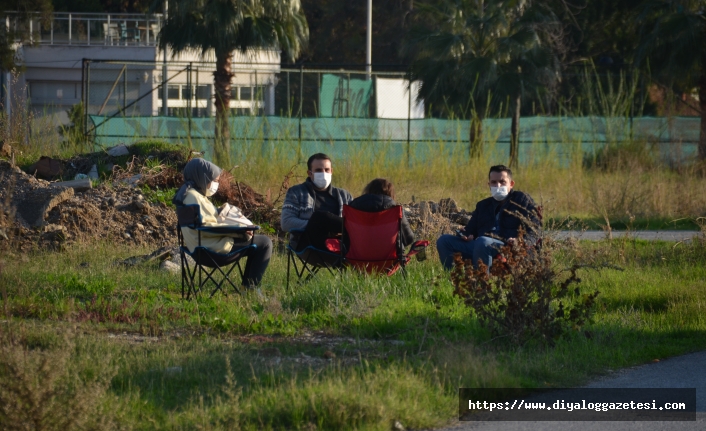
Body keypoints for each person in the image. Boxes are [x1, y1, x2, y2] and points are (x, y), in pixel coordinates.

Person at [173, 158, 272, 289]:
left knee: (257, 242)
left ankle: (248, 288)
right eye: (214, 180)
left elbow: (203, 223)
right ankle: (250, 289)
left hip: (199, 248)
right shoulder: (194, 197)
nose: (216, 184)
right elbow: (206, 226)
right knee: (265, 243)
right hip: (212, 250)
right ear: (202, 177)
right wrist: (240, 230)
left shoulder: (188, 194)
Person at [436, 164, 540, 270]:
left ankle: (482, 282)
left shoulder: (522, 200)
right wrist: (465, 235)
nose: (498, 186)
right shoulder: (483, 205)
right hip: (481, 245)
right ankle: (452, 277)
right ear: (489, 184)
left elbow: (535, 227)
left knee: (482, 242)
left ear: (511, 184)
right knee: (444, 241)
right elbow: (471, 229)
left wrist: (522, 241)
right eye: (494, 182)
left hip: (506, 246)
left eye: (502, 182)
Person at [281, 153, 353, 251]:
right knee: (320, 217)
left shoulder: (344, 195)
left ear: (331, 171)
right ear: (309, 173)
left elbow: (353, 224)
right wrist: (317, 225)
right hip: (308, 243)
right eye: (318, 170)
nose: (324, 173)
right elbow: (286, 223)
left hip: (339, 244)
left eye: (327, 170)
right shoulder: (296, 192)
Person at [348, 178, 415, 248]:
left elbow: (347, 236)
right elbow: (409, 238)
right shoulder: (395, 210)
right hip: (390, 256)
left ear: (368, 190)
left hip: (357, 256)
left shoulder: (353, 208)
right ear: (390, 193)